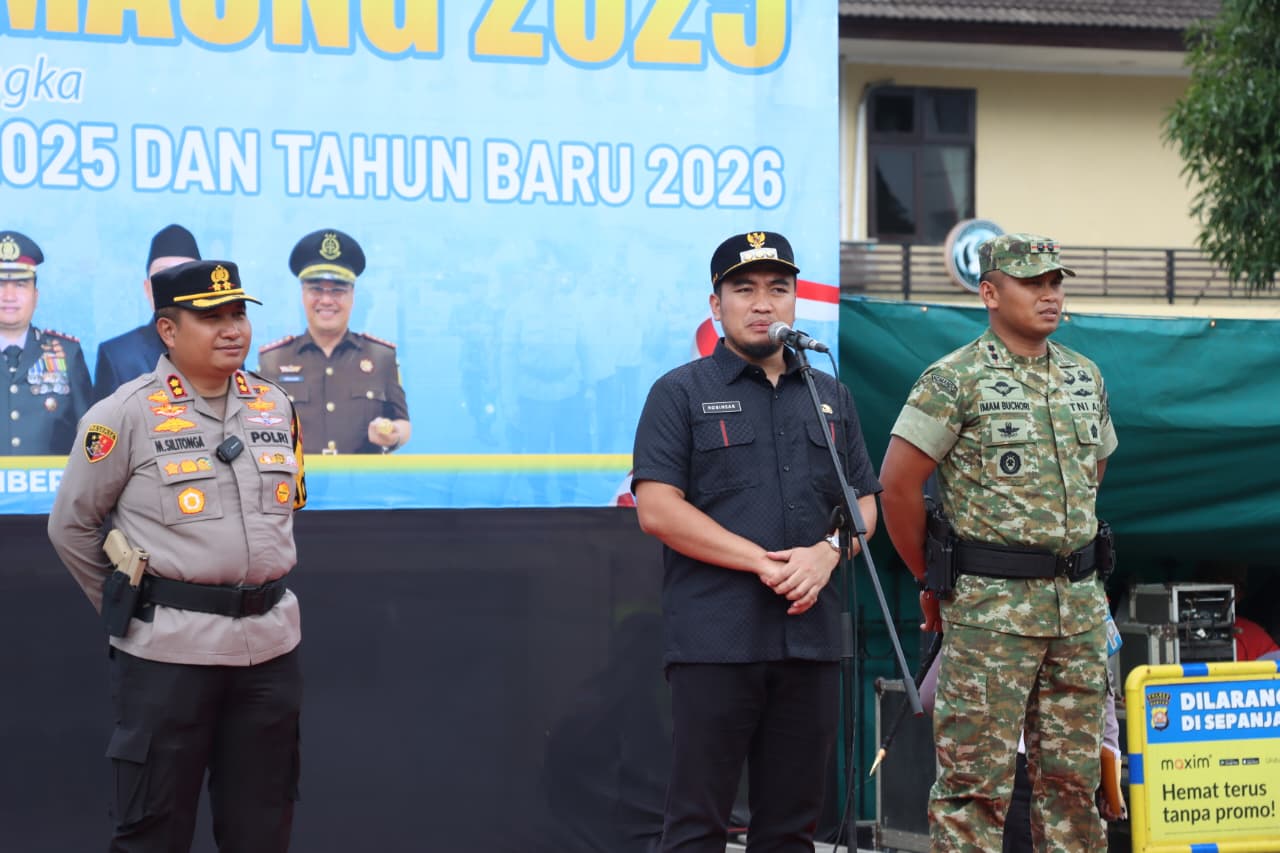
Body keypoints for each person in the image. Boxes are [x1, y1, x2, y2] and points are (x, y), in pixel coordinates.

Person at [631, 230, 881, 851]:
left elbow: (865, 504)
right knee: (697, 824)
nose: (763, 303)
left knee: (793, 828)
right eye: (744, 289)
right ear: (716, 305)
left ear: (796, 301)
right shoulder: (680, 392)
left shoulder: (831, 395)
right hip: (717, 641)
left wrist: (827, 554)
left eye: (778, 288)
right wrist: (761, 562)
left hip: (811, 643)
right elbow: (657, 509)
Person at [48, 259, 306, 852]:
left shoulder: (275, 405)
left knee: (263, 831)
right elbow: (72, 526)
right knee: (154, 832)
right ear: (167, 330)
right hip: (169, 660)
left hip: (270, 654)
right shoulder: (122, 415)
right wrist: (131, 608)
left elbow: (286, 511)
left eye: (238, 314)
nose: (232, 329)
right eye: (211, 317)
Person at [879, 233, 1116, 852]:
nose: (1049, 294)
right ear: (989, 293)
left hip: (1078, 613)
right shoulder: (953, 379)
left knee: (1075, 787)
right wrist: (931, 578)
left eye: (1055, 282)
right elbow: (897, 487)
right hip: (991, 616)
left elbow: (1093, 472)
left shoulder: (1084, 376)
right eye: (1032, 283)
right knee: (974, 792)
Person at [257, 228, 410, 454]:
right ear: (303, 294)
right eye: (316, 290)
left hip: (361, 476)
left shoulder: (381, 357)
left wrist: (393, 434)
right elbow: (258, 429)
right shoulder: (274, 360)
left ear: (352, 296)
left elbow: (402, 422)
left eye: (338, 291)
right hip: (297, 476)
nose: (326, 300)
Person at [0, 229, 92, 455]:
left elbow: (92, 436)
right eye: (1, 284)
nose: (9, 296)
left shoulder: (67, 354)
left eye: (20, 284)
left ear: (36, 296)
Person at [93, 224, 202, 402]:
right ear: (147, 288)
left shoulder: (223, 347)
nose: (174, 284)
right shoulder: (118, 357)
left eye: (186, 274)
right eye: (163, 275)